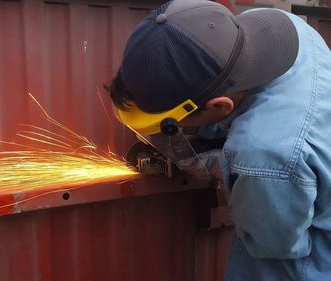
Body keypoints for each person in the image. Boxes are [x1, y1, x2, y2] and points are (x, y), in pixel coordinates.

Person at [106, 0, 331, 280]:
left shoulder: (265, 158)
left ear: (220, 106)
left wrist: (226, 169)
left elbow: (273, 245)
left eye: (171, 125)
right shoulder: (276, 27)